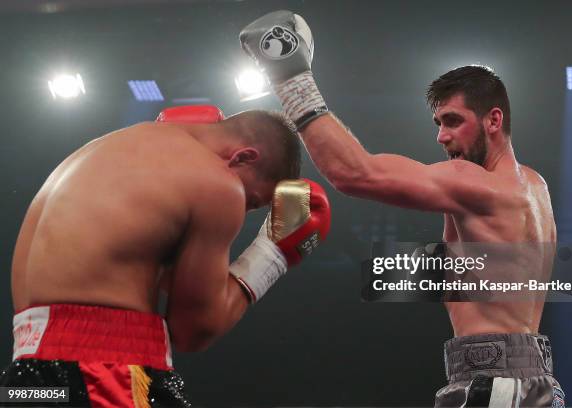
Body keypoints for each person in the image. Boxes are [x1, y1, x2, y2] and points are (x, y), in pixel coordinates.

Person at [240, 11, 564, 407]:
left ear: (493, 120)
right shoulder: (535, 186)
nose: (441, 135)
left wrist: (290, 79)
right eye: (437, 122)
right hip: (538, 380)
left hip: (491, 383)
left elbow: (354, 173)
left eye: (453, 121)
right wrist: (370, 266)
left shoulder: (470, 180)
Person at [1, 105, 331, 407]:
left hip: (26, 378)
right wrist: (271, 255)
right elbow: (193, 330)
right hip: (104, 373)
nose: (242, 211)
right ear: (243, 158)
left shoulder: (101, 151)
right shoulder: (217, 181)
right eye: (252, 201)